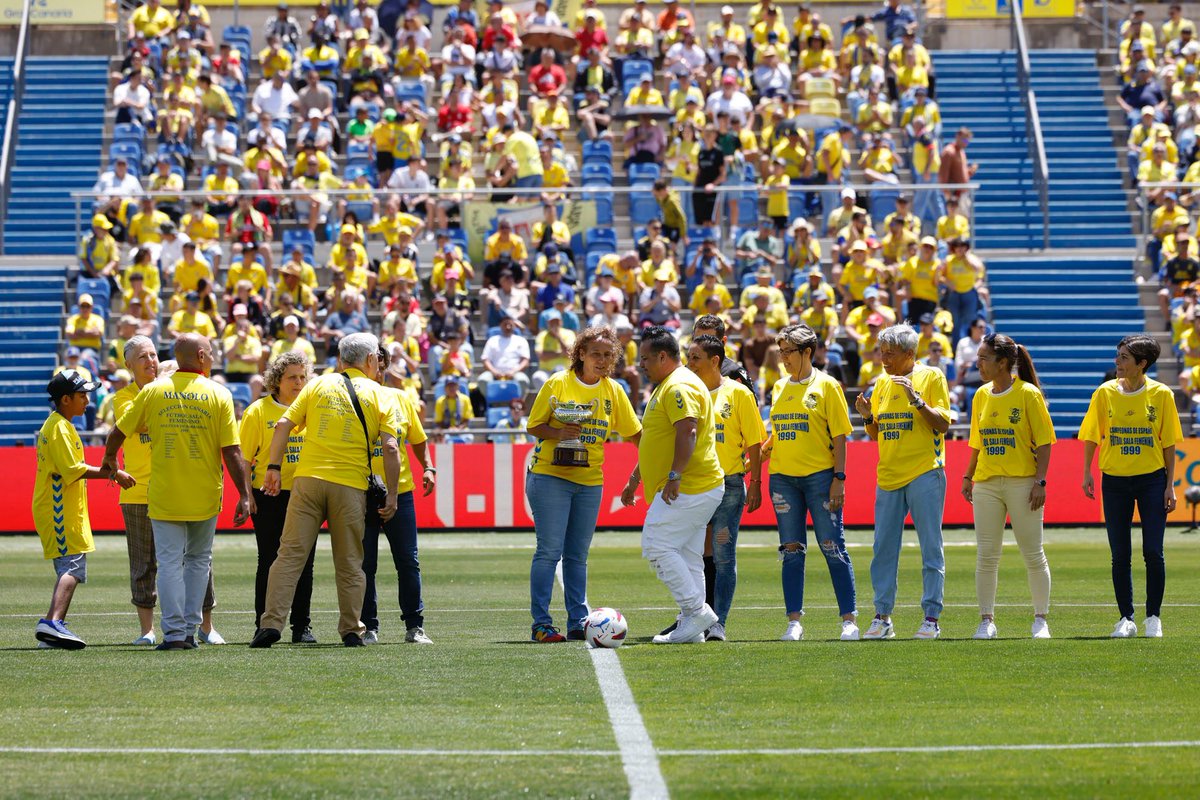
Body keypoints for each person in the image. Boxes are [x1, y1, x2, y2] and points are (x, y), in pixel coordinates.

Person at [252, 333, 402, 649]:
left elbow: (283, 425)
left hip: (307, 481)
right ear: (371, 360)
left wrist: (273, 467)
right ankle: (351, 629)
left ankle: (270, 624)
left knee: (288, 556)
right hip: (349, 485)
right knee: (349, 562)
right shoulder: (381, 394)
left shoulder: (317, 384)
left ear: (340, 360)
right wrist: (391, 494)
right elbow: (390, 447)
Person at [104, 334, 254, 650]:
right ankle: (190, 629)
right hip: (205, 494)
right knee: (199, 561)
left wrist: (109, 459)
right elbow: (231, 450)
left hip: (164, 493)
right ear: (200, 356)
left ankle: (173, 633)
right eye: (210, 353)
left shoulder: (153, 391)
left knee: (169, 562)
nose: (213, 358)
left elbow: (118, 431)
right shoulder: (220, 393)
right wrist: (244, 493)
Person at [526, 327, 642, 642]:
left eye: (608, 355)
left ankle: (578, 622)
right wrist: (558, 433)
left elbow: (636, 434)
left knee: (578, 555)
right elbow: (533, 425)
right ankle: (541, 624)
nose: (602, 360)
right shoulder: (558, 383)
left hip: (590, 482)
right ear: (580, 353)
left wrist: (653, 464)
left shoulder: (614, 390)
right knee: (549, 551)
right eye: (595, 354)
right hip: (550, 476)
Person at [621, 326, 725, 644]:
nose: (641, 365)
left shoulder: (678, 386)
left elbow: (688, 431)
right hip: (694, 485)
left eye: (645, 358)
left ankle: (696, 611)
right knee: (689, 556)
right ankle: (692, 627)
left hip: (690, 485)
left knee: (656, 546)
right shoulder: (670, 384)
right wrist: (636, 479)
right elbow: (658, 440)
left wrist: (675, 476)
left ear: (663, 356)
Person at [1080, 335, 1182, 639]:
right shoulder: (1104, 392)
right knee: (1120, 554)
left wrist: (1170, 485)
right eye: (1118, 355)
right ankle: (1126, 618)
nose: (1118, 362)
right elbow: (1091, 434)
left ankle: (1154, 617)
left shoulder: (1162, 394)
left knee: (1153, 551)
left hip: (1152, 480)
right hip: (1114, 481)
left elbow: (1169, 443)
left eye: (1124, 357)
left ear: (1142, 364)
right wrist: (1087, 472)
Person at [853, 324, 950, 640]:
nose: (884, 359)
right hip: (889, 476)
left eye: (890, 353)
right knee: (883, 549)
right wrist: (868, 416)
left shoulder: (932, 377)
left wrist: (916, 400)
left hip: (925, 472)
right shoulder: (881, 382)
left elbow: (943, 424)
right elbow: (878, 433)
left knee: (930, 548)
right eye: (882, 352)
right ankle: (882, 616)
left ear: (910, 354)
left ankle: (931, 618)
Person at [768, 324, 858, 642]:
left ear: (807, 352)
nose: (783, 358)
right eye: (781, 351)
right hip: (782, 479)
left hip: (820, 478)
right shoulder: (778, 387)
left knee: (832, 547)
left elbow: (840, 437)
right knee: (791, 551)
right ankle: (794, 621)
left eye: (788, 352)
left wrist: (839, 479)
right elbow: (778, 433)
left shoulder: (828, 386)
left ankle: (848, 619)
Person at [962, 334, 1055, 640]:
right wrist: (968, 476)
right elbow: (976, 442)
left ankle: (1040, 620)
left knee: (1033, 554)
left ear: (1002, 363)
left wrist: (1040, 481)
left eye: (984, 358)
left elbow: (1045, 442)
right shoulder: (980, 395)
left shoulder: (1028, 394)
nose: (978, 364)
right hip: (987, 485)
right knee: (987, 556)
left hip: (1022, 483)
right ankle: (986, 620)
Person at [33, 370, 134, 649]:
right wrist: (114, 473)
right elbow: (72, 470)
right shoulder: (59, 428)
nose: (87, 400)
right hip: (59, 510)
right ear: (65, 399)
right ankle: (52, 623)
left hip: (63, 508)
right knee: (72, 566)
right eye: (82, 395)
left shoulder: (60, 425)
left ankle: (52, 628)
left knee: (70, 566)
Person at [685, 335, 763, 641]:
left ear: (715, 360)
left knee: (723, 555)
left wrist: (754, 482)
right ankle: (693, 617)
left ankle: (719, 624)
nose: (689, 364)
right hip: (694, 482)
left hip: (730, 484)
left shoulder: (739, 393)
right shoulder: (687, 391)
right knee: (690, 555)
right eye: (688, 357)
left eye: (695, 358)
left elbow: (754, 442)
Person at [239, 351, 318, 644]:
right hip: (269, 495)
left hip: (306, 494)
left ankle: (301, 627)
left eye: (302, 377)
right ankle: (264, 624)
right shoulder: (258, 412)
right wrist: (247, 494)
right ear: (276, 380)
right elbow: (244, 459)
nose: (298, 382)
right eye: (292, 377)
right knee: (269, 560)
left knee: (305, 562)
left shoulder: (313, 409)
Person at [362, 347, 437, 645]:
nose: (378, 373)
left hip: (401, 490)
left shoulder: (401, 398)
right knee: (365, 564)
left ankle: (414, 626)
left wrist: (428, 466)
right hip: (361, 490)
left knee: (407, 560)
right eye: (374, 366)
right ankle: (368, 627)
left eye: (383, 367)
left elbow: (418, 439)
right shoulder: (351, 399)